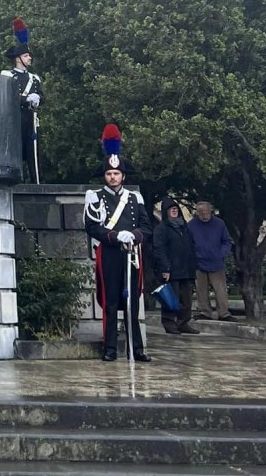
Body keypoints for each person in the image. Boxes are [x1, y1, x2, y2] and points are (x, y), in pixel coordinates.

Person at [83, 124, 153, 362]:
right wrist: (114, 236)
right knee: (111, 301)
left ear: (123, 175)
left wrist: (134, 235)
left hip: (132, 254)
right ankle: (110, 348)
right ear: (105, 175)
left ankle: (137, 348)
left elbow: (146, 227)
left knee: (133, 302)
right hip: (110, 253)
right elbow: (92, 226)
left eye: (117, 174)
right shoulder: (95, 197)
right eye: (109, 174)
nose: (113, 177)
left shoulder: (135, 198)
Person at [0, 18, 43, 184]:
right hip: (15, 120)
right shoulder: (8, 75)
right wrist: (26, 99)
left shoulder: (34, 78)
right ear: (18, 58)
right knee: (16, 154)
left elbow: (42, 95)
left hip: (31, 120)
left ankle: (37, 183)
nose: (29, 58)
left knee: (34, 155)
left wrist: (39, 98)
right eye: (26, 55)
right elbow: (9, 97)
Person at [153, 197, 200, 334]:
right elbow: (159, 249)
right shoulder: (161, 229)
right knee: (170, 299)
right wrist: (165, 268)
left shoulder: (184, 227)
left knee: (186, 300)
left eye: (175, 209)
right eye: (170, 209)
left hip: (186, 269)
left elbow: (191, 246)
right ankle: (169, 323)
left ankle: (183, 323)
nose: (174, 211)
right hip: (171, 270)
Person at [188, 201, 236, 321]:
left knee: (220, 290)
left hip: (216, 262)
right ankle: (205, 312)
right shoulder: (191, 225)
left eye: (206, 213)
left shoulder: (219, 224)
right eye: (201, 213)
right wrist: (194, 256)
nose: (204, 216)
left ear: (211, 212)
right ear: (197, 213)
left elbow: (227, 241)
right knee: (201, 290)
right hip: (199, 263)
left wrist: (221, 254)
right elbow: (187, 244)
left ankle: (224, 313)